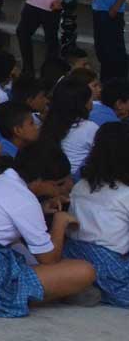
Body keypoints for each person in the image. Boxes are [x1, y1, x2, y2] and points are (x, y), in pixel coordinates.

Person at [0, 146, 99, 316]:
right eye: (57, 185)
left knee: (23, 251)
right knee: (85, 271)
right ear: (38, 180)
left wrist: (41, 208)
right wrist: (60, 222)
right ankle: (56, 292)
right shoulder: (25, 199)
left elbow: (2, 214)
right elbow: (49, 259)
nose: (59, 190)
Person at [65, 122, 129, 307]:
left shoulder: (80, 185)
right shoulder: (126, 194)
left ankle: (82, 288)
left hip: (74, 255)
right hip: (111, 265)